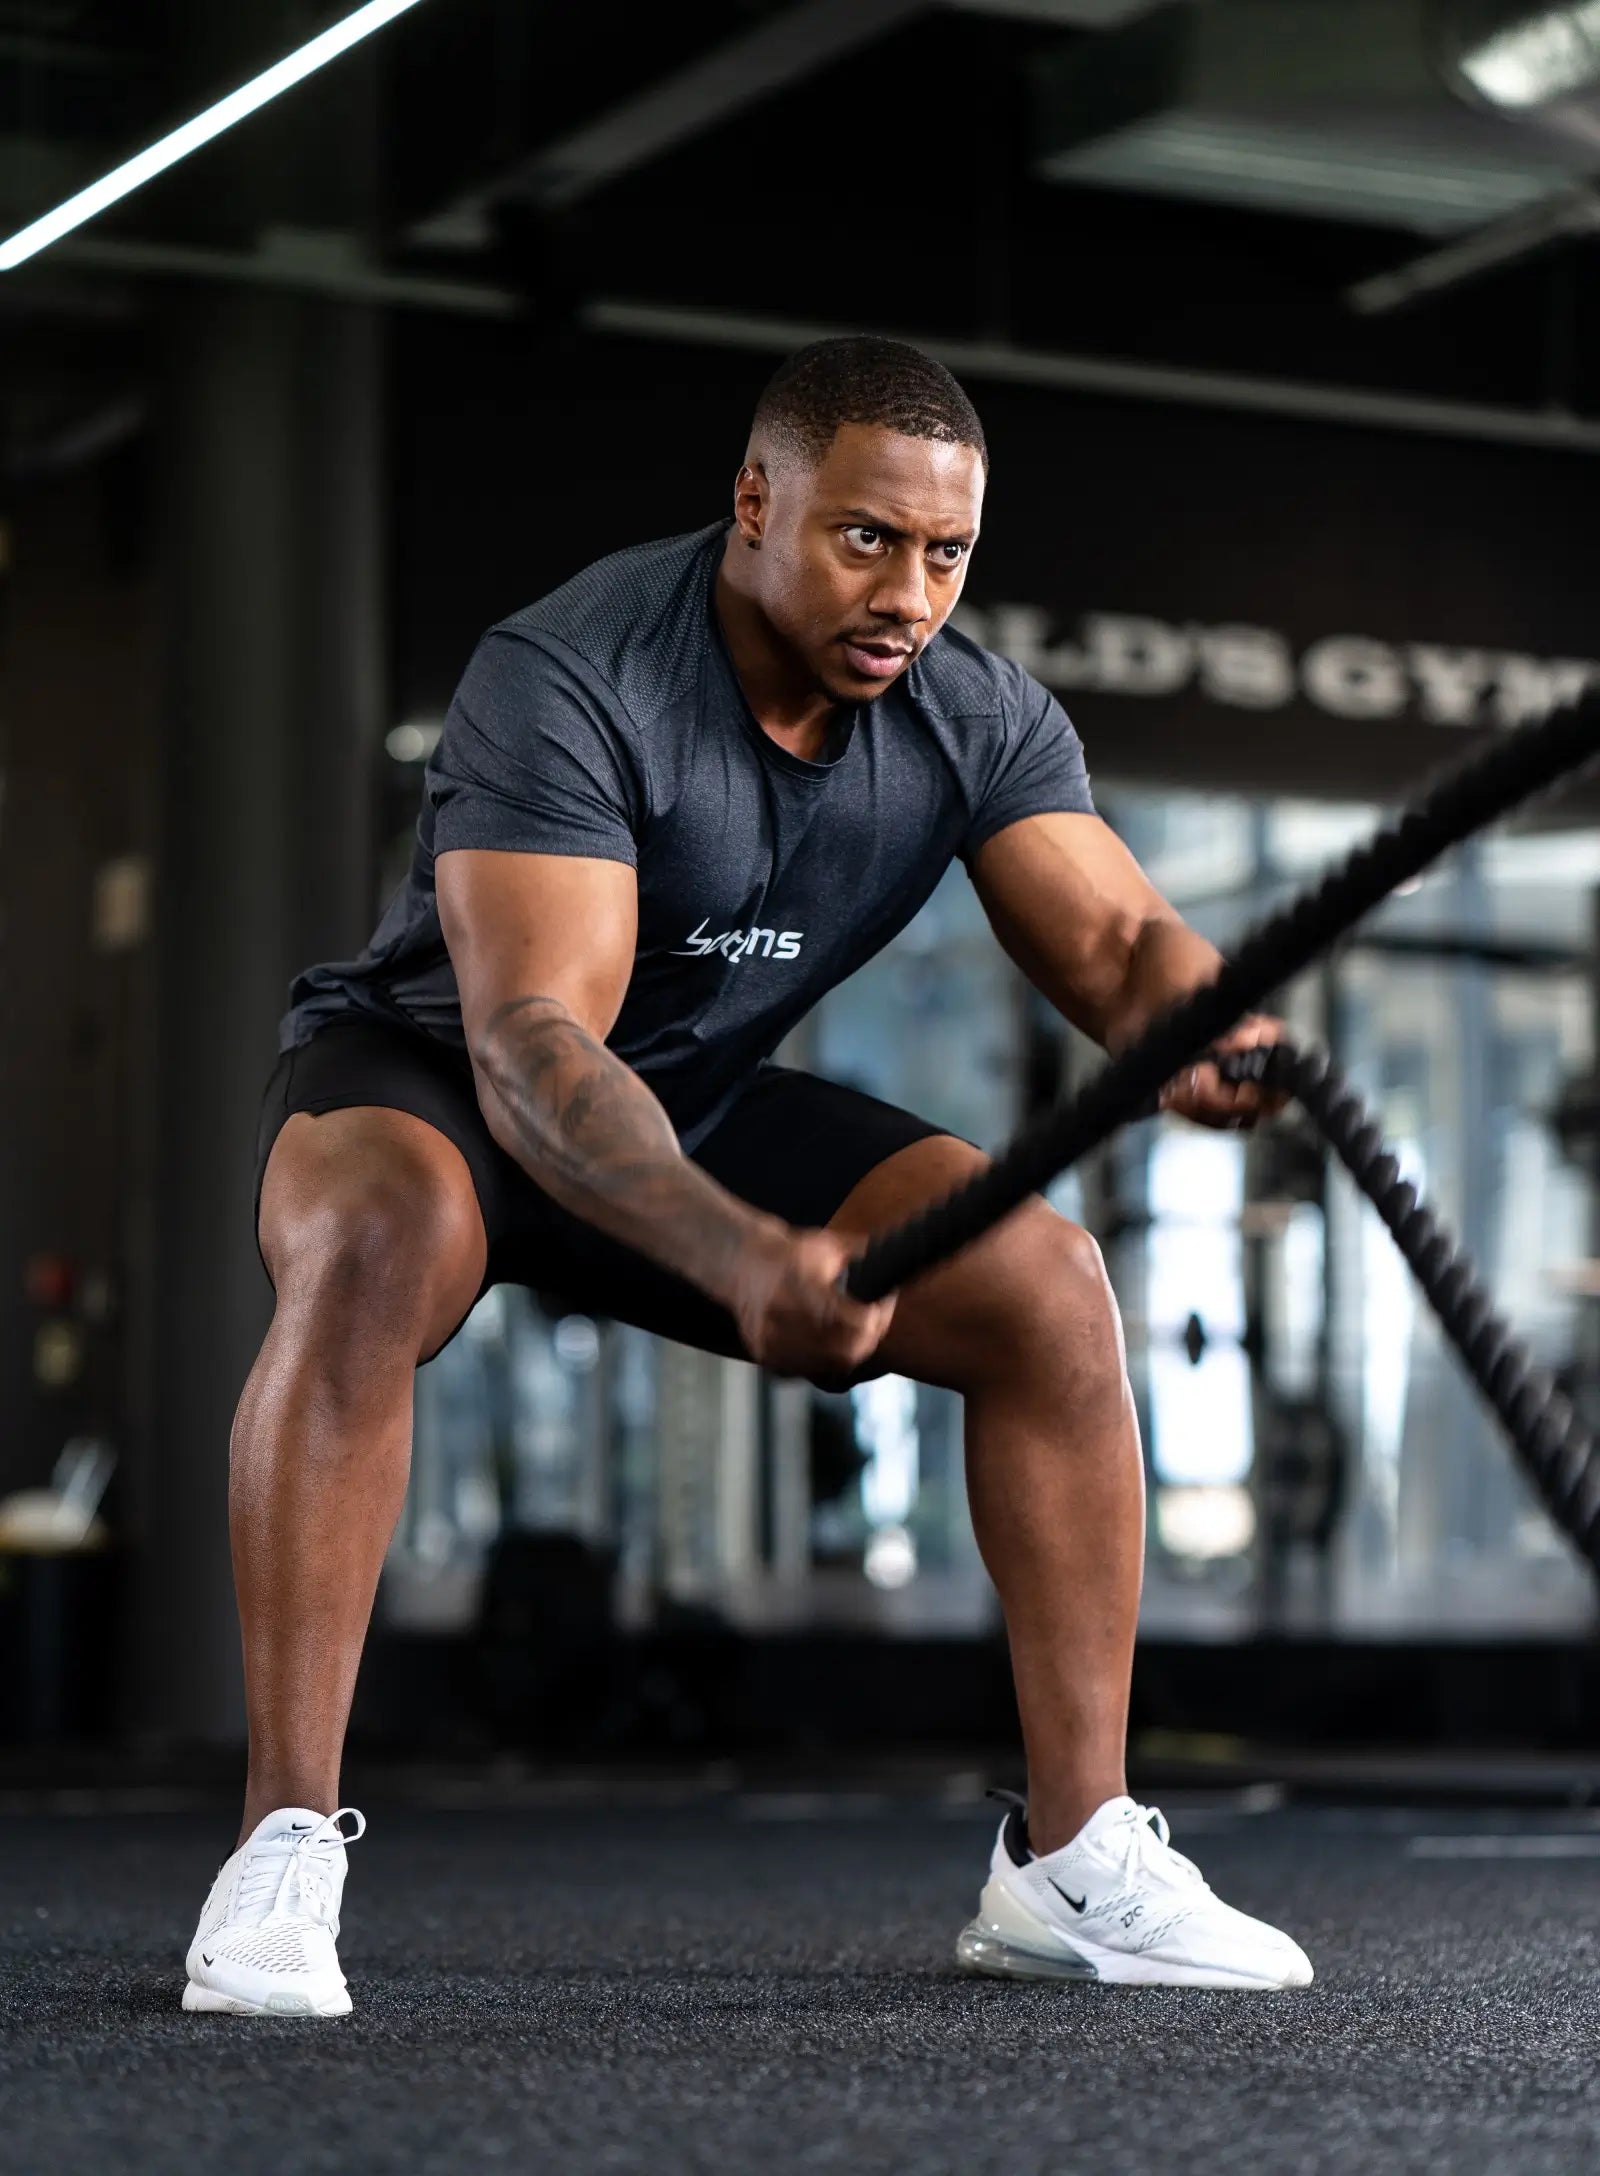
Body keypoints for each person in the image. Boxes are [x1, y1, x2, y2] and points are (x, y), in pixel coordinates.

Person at [183, 335, 1312, 2016]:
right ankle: (283, 1843)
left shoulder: (970, 712)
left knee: (1047, 1289)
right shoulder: (573, 674)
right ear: (755, 502)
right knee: (366, 1242)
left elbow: (1126, 935)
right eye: (868, 539)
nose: (910, 594)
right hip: (441, 1081)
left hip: (694, 1093)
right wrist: (734, 1252)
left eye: (947, 555)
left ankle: (1071, 1859)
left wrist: (1202, 1021)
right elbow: (538, 1052)